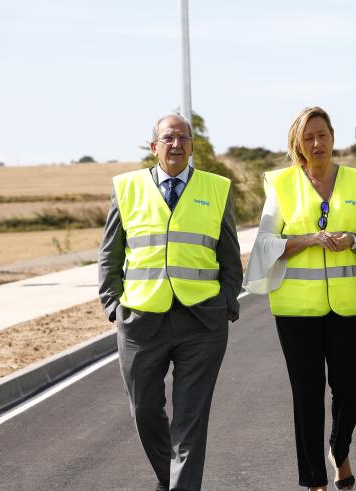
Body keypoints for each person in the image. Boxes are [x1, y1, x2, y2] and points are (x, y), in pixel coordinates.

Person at [97, 114, 242, 491]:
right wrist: (114, 306)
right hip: (140, 321)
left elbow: (230, 256)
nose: (176, 144)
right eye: (168, 138)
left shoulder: (217, 189)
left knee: (190, 420)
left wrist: (227, 302)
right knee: (145, 411)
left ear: (192, 145)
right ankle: (172, 479)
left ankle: (181, 486)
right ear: (153, 146)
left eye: (183, 138)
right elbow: (110, 255)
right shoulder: (126, 188)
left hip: (202, 322)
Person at [244, 106, 356, 491]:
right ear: (297, 144)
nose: (317, 143)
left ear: (333, 137)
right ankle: (315, 481)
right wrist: (307, 240)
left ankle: (339, 449)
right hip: (295, 310)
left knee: (350, 387)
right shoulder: (282, 186)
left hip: (345, 305)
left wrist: (353, 241)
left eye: (322, 135)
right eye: (308, 137)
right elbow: (265, 244)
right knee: (306, 393)